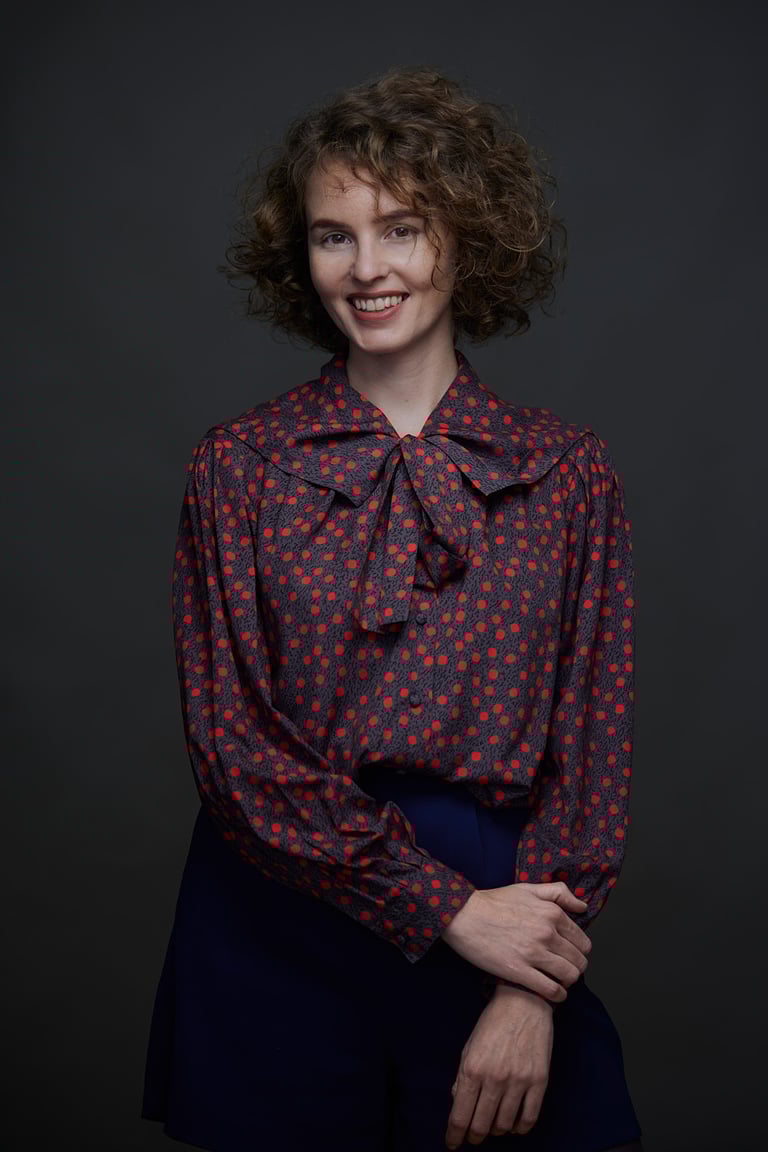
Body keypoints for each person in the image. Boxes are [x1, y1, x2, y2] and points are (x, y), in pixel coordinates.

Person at [141, 67, 643, 1152]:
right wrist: (444, 909)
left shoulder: (565, 473)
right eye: (334, 237)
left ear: (465, 240)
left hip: (505, 914)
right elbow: (234, 749)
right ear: (301, 257)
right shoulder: (240, 467)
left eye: (402, 229)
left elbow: (588, 751)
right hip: (277, 917)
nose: (367, 270)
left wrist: (529, 988)